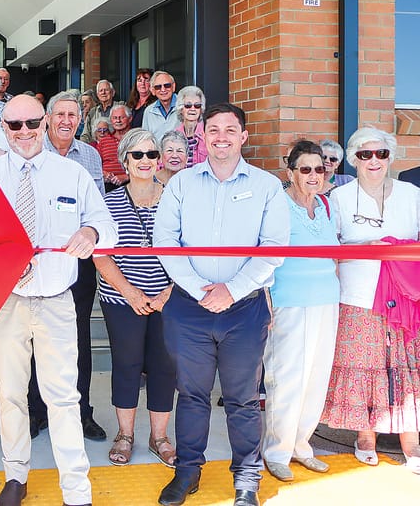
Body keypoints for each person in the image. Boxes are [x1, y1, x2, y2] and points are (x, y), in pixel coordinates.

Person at [0, 95, 117, 506]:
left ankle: (76, 488)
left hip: (57, 300)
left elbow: (104, 223)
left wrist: (91, 234)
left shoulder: (72, 174)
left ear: (44, 124)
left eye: (31, 123)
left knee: (63, 396)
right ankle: (15, 476)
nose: (24, 132)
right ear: (4, 128)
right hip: (7, 302)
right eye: (14, 125)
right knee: (10, 393)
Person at [153, 102, 289, 506]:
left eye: (231, 130)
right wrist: (200, 289)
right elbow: (166, 242)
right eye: (213, 130)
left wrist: (232, 289)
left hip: (245, 309)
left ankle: (246, 478)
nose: (222, 137)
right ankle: (188, 471)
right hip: (189, 308)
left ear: (243, 137)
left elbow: (274, 249)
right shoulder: (181, 184)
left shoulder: (267, 186)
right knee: (191, 394)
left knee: (242, 398)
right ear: (202, 135)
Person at [321, 127, 420, 473]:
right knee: (365, 365)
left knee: (406, 367)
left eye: (381, 154)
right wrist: (365, 249)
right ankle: (365, 436)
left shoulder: (411, 194)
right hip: (358, 295)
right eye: (365, 155)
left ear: (391, 157)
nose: (373, 161)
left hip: (405, 298)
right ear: (354, 159)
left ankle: (412, 440)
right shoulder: (340, 198)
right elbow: (327, 249)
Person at [94, 128, 176, 467]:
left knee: (164, 368)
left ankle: (159, 437)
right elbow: (100, 255)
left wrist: (168, 293)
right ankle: (125, 434)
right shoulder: (109, 201)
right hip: (121, 299)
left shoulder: (176, 198)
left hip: (168, 298)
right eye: (138, 155)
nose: (146, 161)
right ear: (125, 161)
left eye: (151, 154)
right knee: (126, 366)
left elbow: (189, 251)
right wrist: (130, 292)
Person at [261, 140, 340, 481]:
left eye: (319, 170)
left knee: (315, 378)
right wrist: (267, 304)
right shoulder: (277, 206)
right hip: (288, 301)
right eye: (305, 169)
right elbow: (263, 256)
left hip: (325, 300)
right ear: (290, 172)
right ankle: (276, 451)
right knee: (286, 377)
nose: (313, 176)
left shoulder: (326, 205)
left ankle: (301, 446)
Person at [34, 91, 107, 441]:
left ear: (80, 120)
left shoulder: (90, 156)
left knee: (78, 337)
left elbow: (99, 210)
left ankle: (83, 412)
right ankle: (37, 411)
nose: (66, 120)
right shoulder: (34, 152)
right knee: (36, 336)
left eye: (72, 115)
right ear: (47, 118)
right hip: (39, 262)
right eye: (59, 114)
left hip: (80, 262)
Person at [173, 86, 207, 168]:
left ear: (201, 109)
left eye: (197, 105)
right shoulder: (174, 136)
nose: (193, 109)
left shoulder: (208, 134)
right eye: (188, 105)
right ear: (181, 109)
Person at [92, 116, 127, 191]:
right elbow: (93, 166)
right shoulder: (93, 146)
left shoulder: (123, 141)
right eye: (99, 130)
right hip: (106, 182)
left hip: (126, 181)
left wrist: (126, 176)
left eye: (105, 130)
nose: (102, 132)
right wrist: (103, 173)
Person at [142, 71, 178, 141]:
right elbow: (145, 139)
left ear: (173, 87)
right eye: (158, 87)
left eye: (167, 85)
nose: (163, 89)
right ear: (152, 90)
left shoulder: (185, 106)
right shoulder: (148, 111)